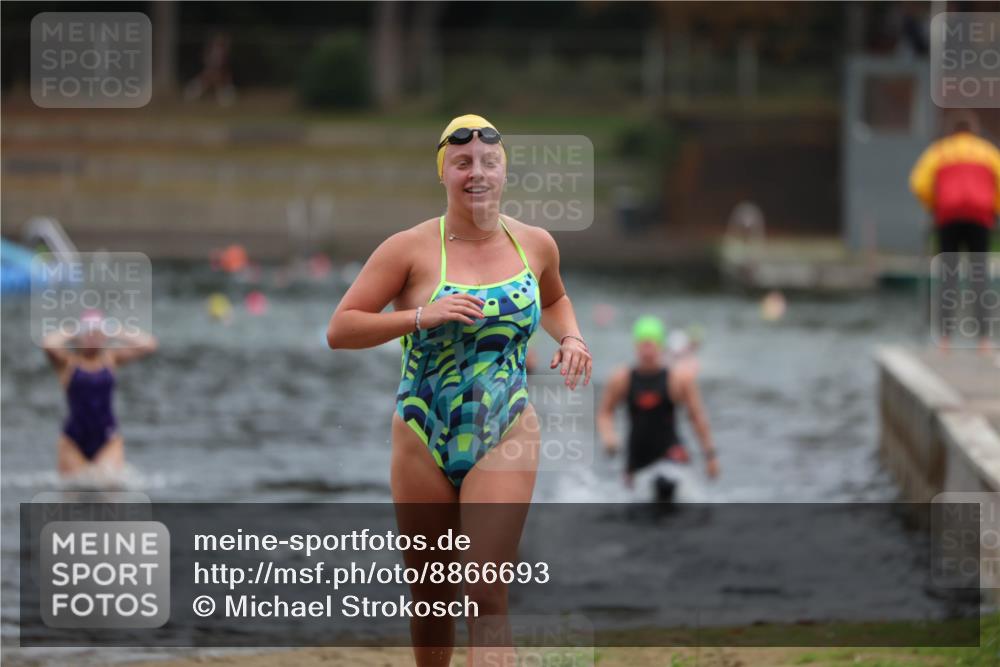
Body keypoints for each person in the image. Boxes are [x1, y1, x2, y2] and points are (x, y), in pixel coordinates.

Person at [326, 114, 591, 666]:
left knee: (485, 590)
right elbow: (341, 329)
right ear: (443, 173)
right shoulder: (408, 248)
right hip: (421, 430)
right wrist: (421, 315)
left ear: (504, 171)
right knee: (431, 596)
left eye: (489, 163)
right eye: (463, 163)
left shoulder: (535, 244)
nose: (477, 174)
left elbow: (554, 298)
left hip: (505, 426)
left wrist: (571, 337)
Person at [598, 315, 717, 497]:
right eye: (643, 345)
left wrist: (710, 456)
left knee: (665, 485)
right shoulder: (621, 378)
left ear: (661, 345)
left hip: (671, 454)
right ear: (636, 345)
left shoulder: (678, 379)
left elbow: (697, 417)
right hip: (637, 458)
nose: (647, 351)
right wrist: (609, 437)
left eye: (651, 344)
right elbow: (605, 413)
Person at [910, 111, 1000, 352]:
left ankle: (945, 340)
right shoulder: (988, 152)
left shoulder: (939, 152)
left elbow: (918, 182)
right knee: (979, 276)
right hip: (980, 218)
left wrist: (934, 204)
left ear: (952, 131)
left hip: (948, 218)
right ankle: (983, 340)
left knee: (948, 276)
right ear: (974, 130)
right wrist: (994, 208)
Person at [42, 310, 158, 477]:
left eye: (97, 333)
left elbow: (149, 345)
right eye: (88, 333)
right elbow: (48, 344)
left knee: (110, 486)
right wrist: (74, 330)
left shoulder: (111, 359)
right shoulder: (68, 363)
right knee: (73, 488)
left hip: (107, 437)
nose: (93, 337)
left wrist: (115, 330)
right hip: (73, 439)